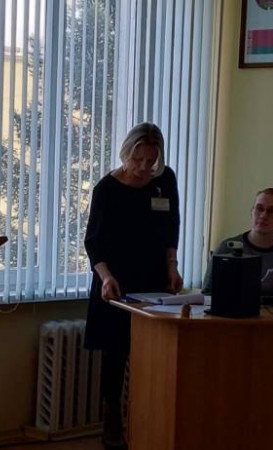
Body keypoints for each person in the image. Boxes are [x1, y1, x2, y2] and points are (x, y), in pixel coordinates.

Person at [84, 122, 183, 450]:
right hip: (114, 280)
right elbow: (93, 241)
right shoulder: (107, 188)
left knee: (154, 350)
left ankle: (148, 420)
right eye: (138, 159)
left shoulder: (164, 180)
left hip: (153, 276)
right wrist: (106, 276)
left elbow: (171, 226)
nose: (143, 167)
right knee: (116, 352)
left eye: (150, 161)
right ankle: (112, 424)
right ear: (126, 153)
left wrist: (172, 266)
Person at [202, 187, 273, 294]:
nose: (263, 215)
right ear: (251, 212)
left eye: (272, 211)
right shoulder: (227, 248)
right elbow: (207, 293)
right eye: (259, 208)